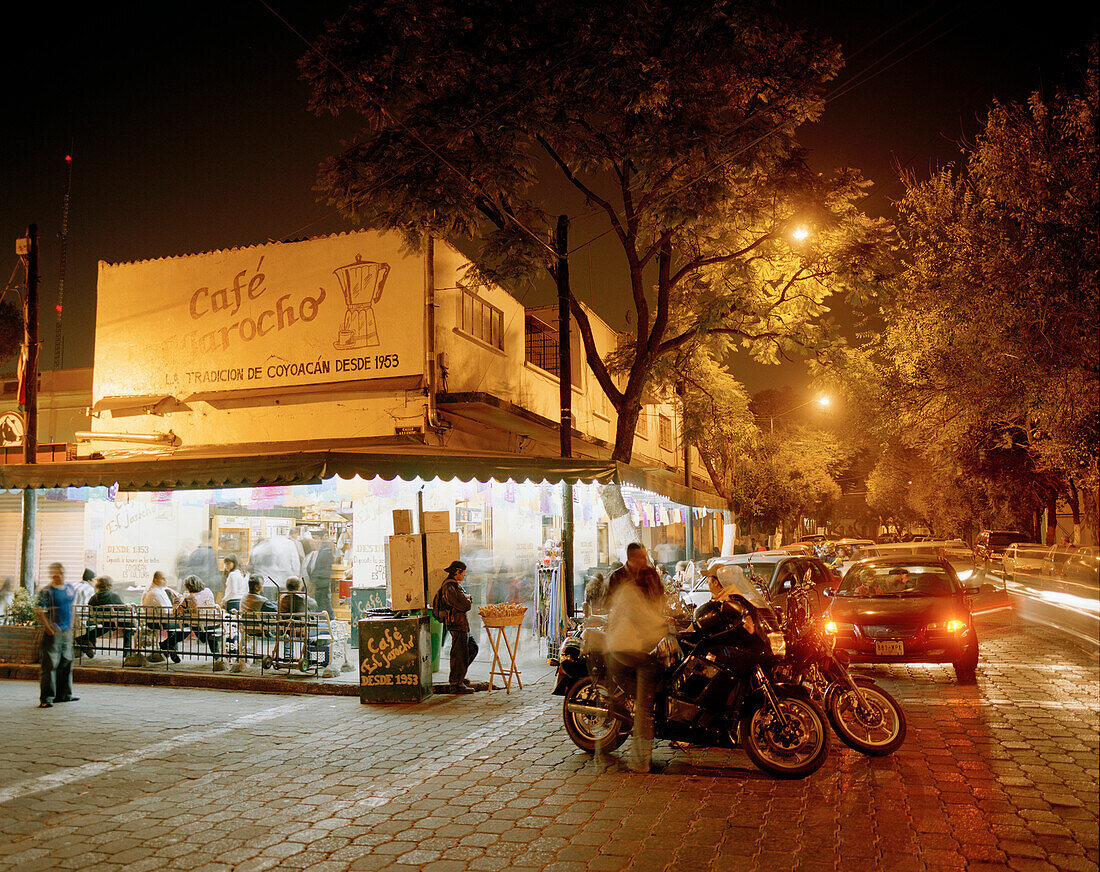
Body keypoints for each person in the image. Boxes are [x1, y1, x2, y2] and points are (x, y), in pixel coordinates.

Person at [605, 565, 668, 772]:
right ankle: (639, 761)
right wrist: (665, 627)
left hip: (633, 647)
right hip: (626, 648)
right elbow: (646, 620)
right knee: (645, 703)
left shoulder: (642, 593)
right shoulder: (632, 594)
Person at [34, 562, 78, 708]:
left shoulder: (70, 589)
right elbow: (39, 610)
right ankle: (47, 697)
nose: (59, 576)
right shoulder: (47, 591)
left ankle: (65, 694)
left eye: (61, 573)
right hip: (53, 631)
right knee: (50, 664)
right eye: (55, 573)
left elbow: (72, 607)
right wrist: (48, 628)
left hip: (66, 631)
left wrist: (71, 624)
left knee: (66, 661)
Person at [437, 560, 476, 693]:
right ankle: (455, 683)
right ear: (457, 572)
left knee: (472, 648)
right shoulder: (450, 587)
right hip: (457, 624)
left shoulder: (454, 586)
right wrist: (468, 599)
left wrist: (467, 598)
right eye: (463, 572)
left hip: (461, 624)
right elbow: (465, 605)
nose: (464, 575)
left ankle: (460, 676)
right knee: (459, 654)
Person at [75, 576, 135, 659]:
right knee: (129, 625)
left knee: (106, 626)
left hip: (103, 621)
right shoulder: (113, 596)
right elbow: (123, 609)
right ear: (109, 585)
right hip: (114, 620)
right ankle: (127, 651)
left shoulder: (93, 598)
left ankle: (84, 637)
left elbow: (90, 607)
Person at [175, 575, 225, 670]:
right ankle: (217, 656)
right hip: (214, 624)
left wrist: (179, 601)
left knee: (188, 625)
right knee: (209, 631)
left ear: (188, 587)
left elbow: (178, 611)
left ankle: (168, 644)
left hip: (199, 627)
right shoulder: (208, 591)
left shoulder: (189, 598)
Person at [143, 571, 185, 663]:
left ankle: (170, 649)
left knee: (175, 627)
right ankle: (167, 645)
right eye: (163, 579)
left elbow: (168, 589)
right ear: (155, 580)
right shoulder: (156, 593)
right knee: (185, 626)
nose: (166, 581)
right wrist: (176, 606)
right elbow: (166, 612)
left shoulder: (154, 589)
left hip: (154, 619)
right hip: (159, 621)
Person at [310, 532, 336, 618]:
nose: (314, 541)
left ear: (320, 539)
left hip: (321, 581)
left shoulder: (325, 551)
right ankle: (330, 620)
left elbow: (321, 567)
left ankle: (327, 621)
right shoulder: (325, 550)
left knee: (323, 603)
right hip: (322, 581)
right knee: (325, 602)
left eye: (316, 539)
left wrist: (314, 579)